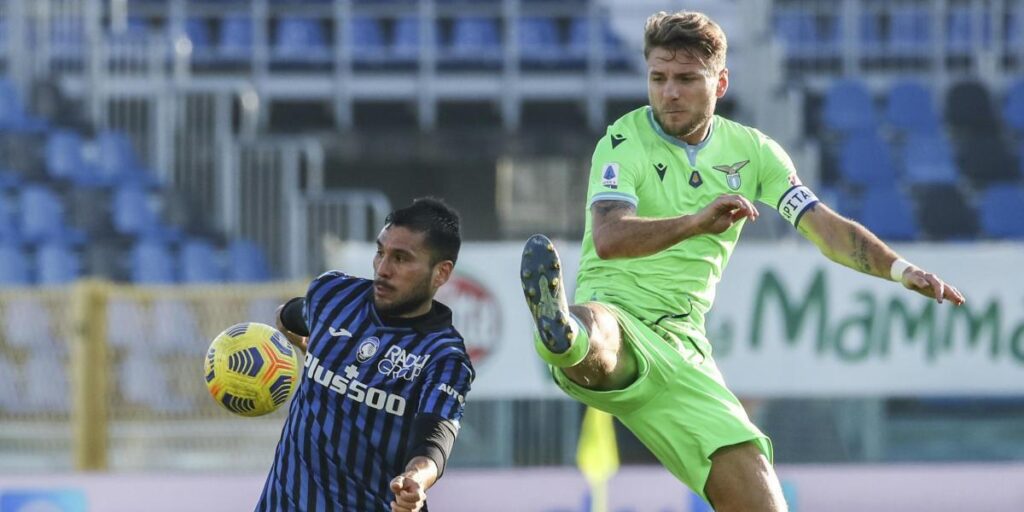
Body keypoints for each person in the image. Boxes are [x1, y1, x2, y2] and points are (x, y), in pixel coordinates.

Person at [520, 10, 965, 512]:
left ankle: (568, 337)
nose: (669, 93)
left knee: (759, 492)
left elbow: (824, 227)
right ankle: (564, 336)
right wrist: (695, 222)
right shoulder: (622, 142)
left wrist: (900, 269)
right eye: (658, 78)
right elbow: (609, 238)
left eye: (686, 79)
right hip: (619, 314)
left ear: (721, 83)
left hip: (685, 347)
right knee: (603, 331)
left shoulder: (753, 152)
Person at [258, 197, 474, 512]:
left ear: (441, 273)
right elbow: (287, 315)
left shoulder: (445, 357)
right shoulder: (332, 295)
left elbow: (434, 441)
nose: (383, 269)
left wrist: (416, 479)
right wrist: (310, 345)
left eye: (401, 258)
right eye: (380, 252)